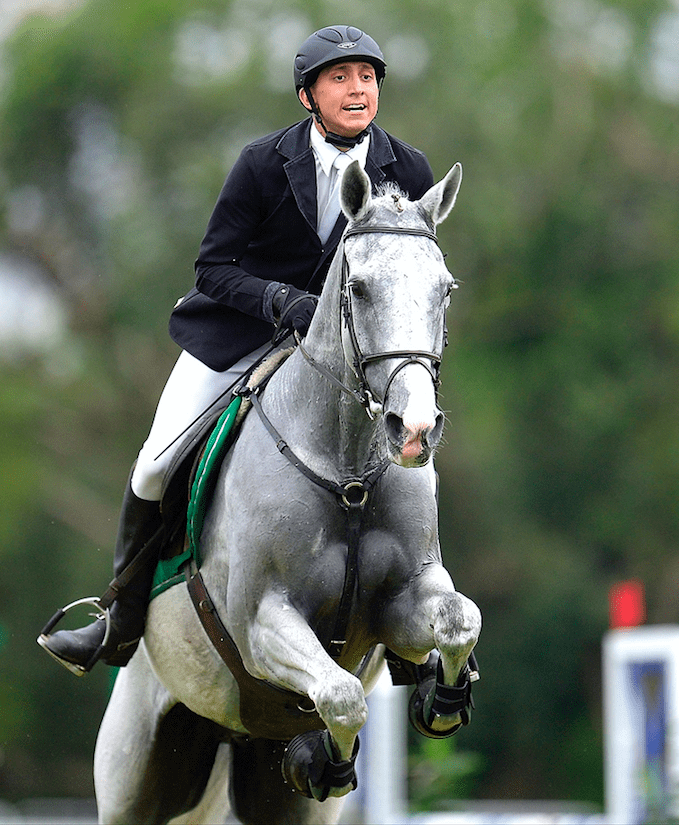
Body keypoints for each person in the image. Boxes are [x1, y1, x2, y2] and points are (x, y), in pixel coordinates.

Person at [38, 24, 435, 674]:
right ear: (307, 96)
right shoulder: (262, 162)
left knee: (410, 457)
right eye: (339, 78)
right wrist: (284, 303)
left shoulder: (408, 169)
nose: (357, 89)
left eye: (366, 77)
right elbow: (212, 268)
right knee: (155, 465)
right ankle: (119, 619)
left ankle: (411, 642)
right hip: (241, 339)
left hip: (347, 360)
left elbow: (411, 271)